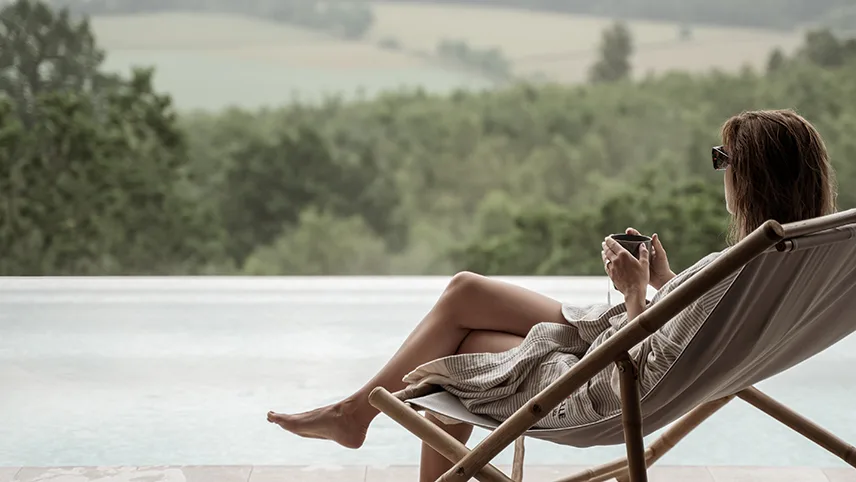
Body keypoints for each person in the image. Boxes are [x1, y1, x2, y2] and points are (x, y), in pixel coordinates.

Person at [267, 109, 837, 482]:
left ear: (753, 176)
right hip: (632, 348)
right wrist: (665, 283)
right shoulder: (799, 256)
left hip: (610, 387)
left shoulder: (747, 258)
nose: (721, 174)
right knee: (465, 293)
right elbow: (701, 324)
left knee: (448, 360)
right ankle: (354, 414)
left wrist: (635, 292)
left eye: (725, 161)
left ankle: (354, 414)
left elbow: (632, 372)